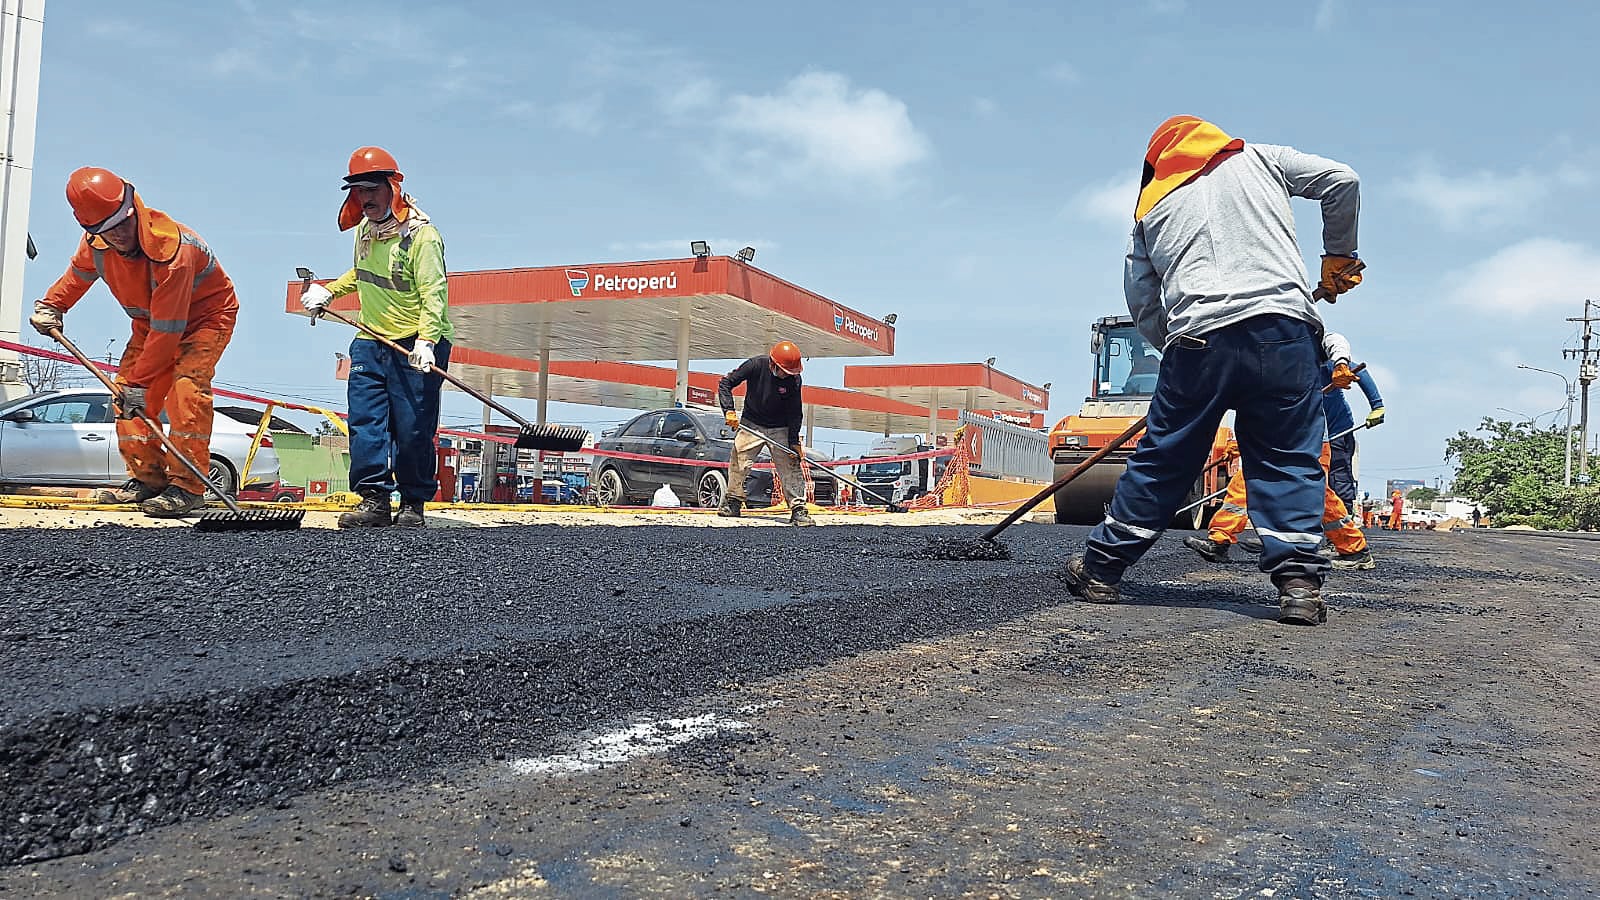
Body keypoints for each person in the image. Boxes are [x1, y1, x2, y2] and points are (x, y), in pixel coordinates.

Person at [1061, 115, 1363, 627]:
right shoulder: (1261, 158)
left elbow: (1142, 298)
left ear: (1156, 163)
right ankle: (1299, 587)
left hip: (1197, 340)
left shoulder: (1151, 206)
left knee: (1164, 459)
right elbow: (1342, 179)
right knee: (1288, 458)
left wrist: (1180, 349)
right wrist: (1339, 253)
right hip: (1284, 334)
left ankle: (1100, 569)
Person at [30, 167, 239, 518]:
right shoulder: (96, 245)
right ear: (92, 230)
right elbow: (77, 276)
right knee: (124, 395)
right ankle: (149, 480)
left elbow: (169, 331)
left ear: (133, 207)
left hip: (204, 320)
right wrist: (52, 305)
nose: (119, 234)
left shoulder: (174, 251)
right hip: (150, 324)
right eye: (106, 230)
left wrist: (140, 384)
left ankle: (188, 488)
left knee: (186, 390)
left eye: (123, 223)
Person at [300, 147, 452, 529]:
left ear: (392, 189)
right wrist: (329, 292)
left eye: (371, 189)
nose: (364, 198)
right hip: (371, 341)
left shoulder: (422, 237)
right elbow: (361, 274)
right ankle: (374, 500)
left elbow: (434, 294)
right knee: (365, 422)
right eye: (358, 191)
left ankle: (413, 503)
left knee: (413, 429)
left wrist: (427, 342)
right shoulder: (365, 232)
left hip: (415, 343)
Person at [716, 341, 814, 526]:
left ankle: (798, 509)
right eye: (784, 371)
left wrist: (793, 441)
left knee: (790, 465)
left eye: (790, 373)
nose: (786, 375)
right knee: (739, 461)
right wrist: (728, 410)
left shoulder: (794, 379)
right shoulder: (755, 365)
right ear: (772, 364)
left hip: (780, 427)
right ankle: (733, 502)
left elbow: (795, 412)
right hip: (752, 423)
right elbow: (725, 383)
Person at [1321, 332, 1384, 513]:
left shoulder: (1324, 364)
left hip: (1337, 432)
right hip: (1305, 435)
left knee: (1338, 479)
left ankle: (1344, 520)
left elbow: (1358, 371)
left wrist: (1377, 406)